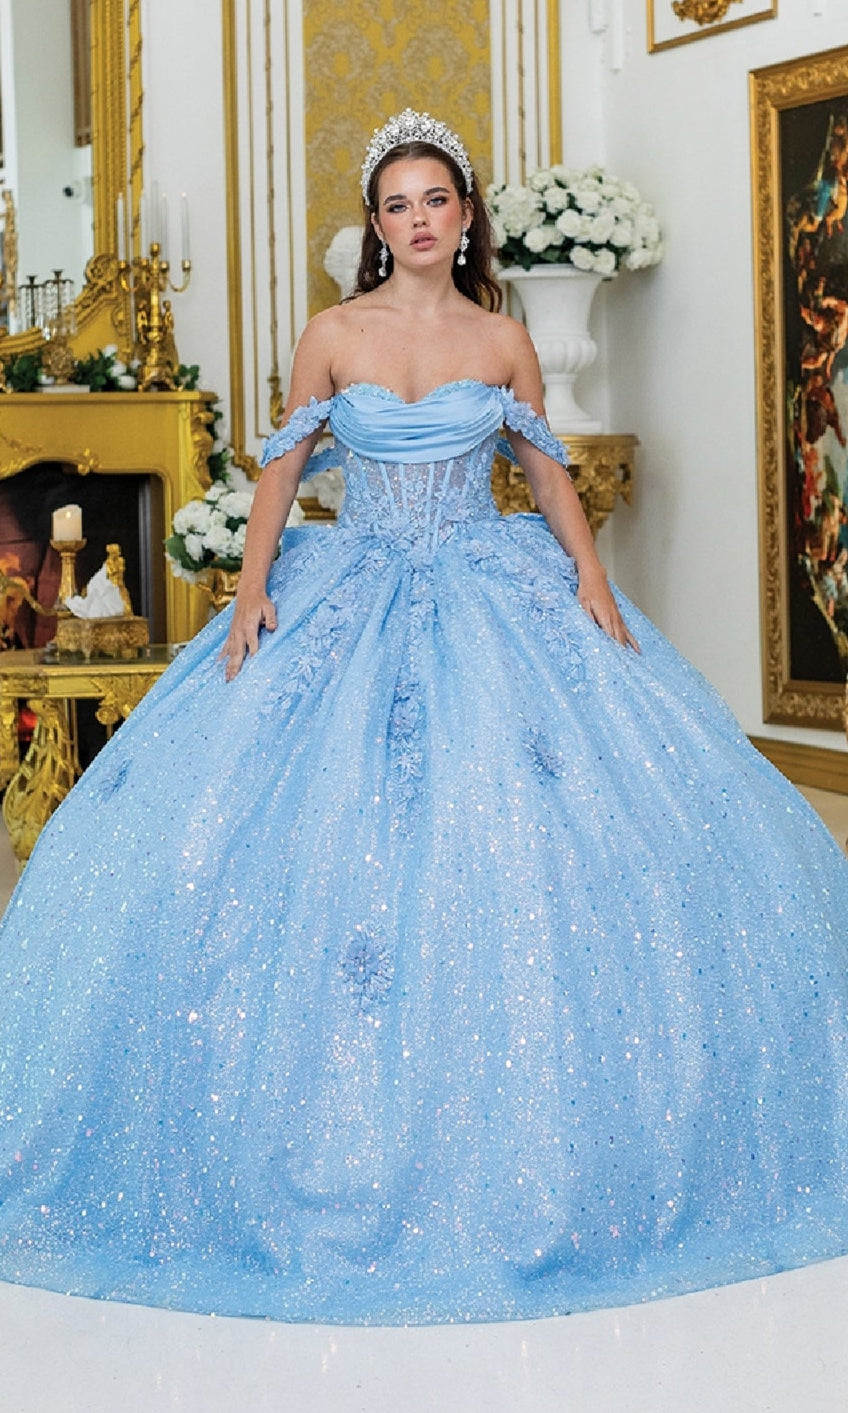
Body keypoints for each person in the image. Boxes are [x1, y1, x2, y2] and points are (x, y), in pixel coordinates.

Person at [0, 109, 847, 1327]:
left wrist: (591, 579)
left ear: (464, 219)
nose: (415, 223)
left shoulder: (501, 338)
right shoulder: (330, 335)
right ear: (375, 226)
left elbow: (544, 468)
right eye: (394, 205)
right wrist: (246, 600)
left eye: (433, 202)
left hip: (488, 583)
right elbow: (283, 476)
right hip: (345, 585)